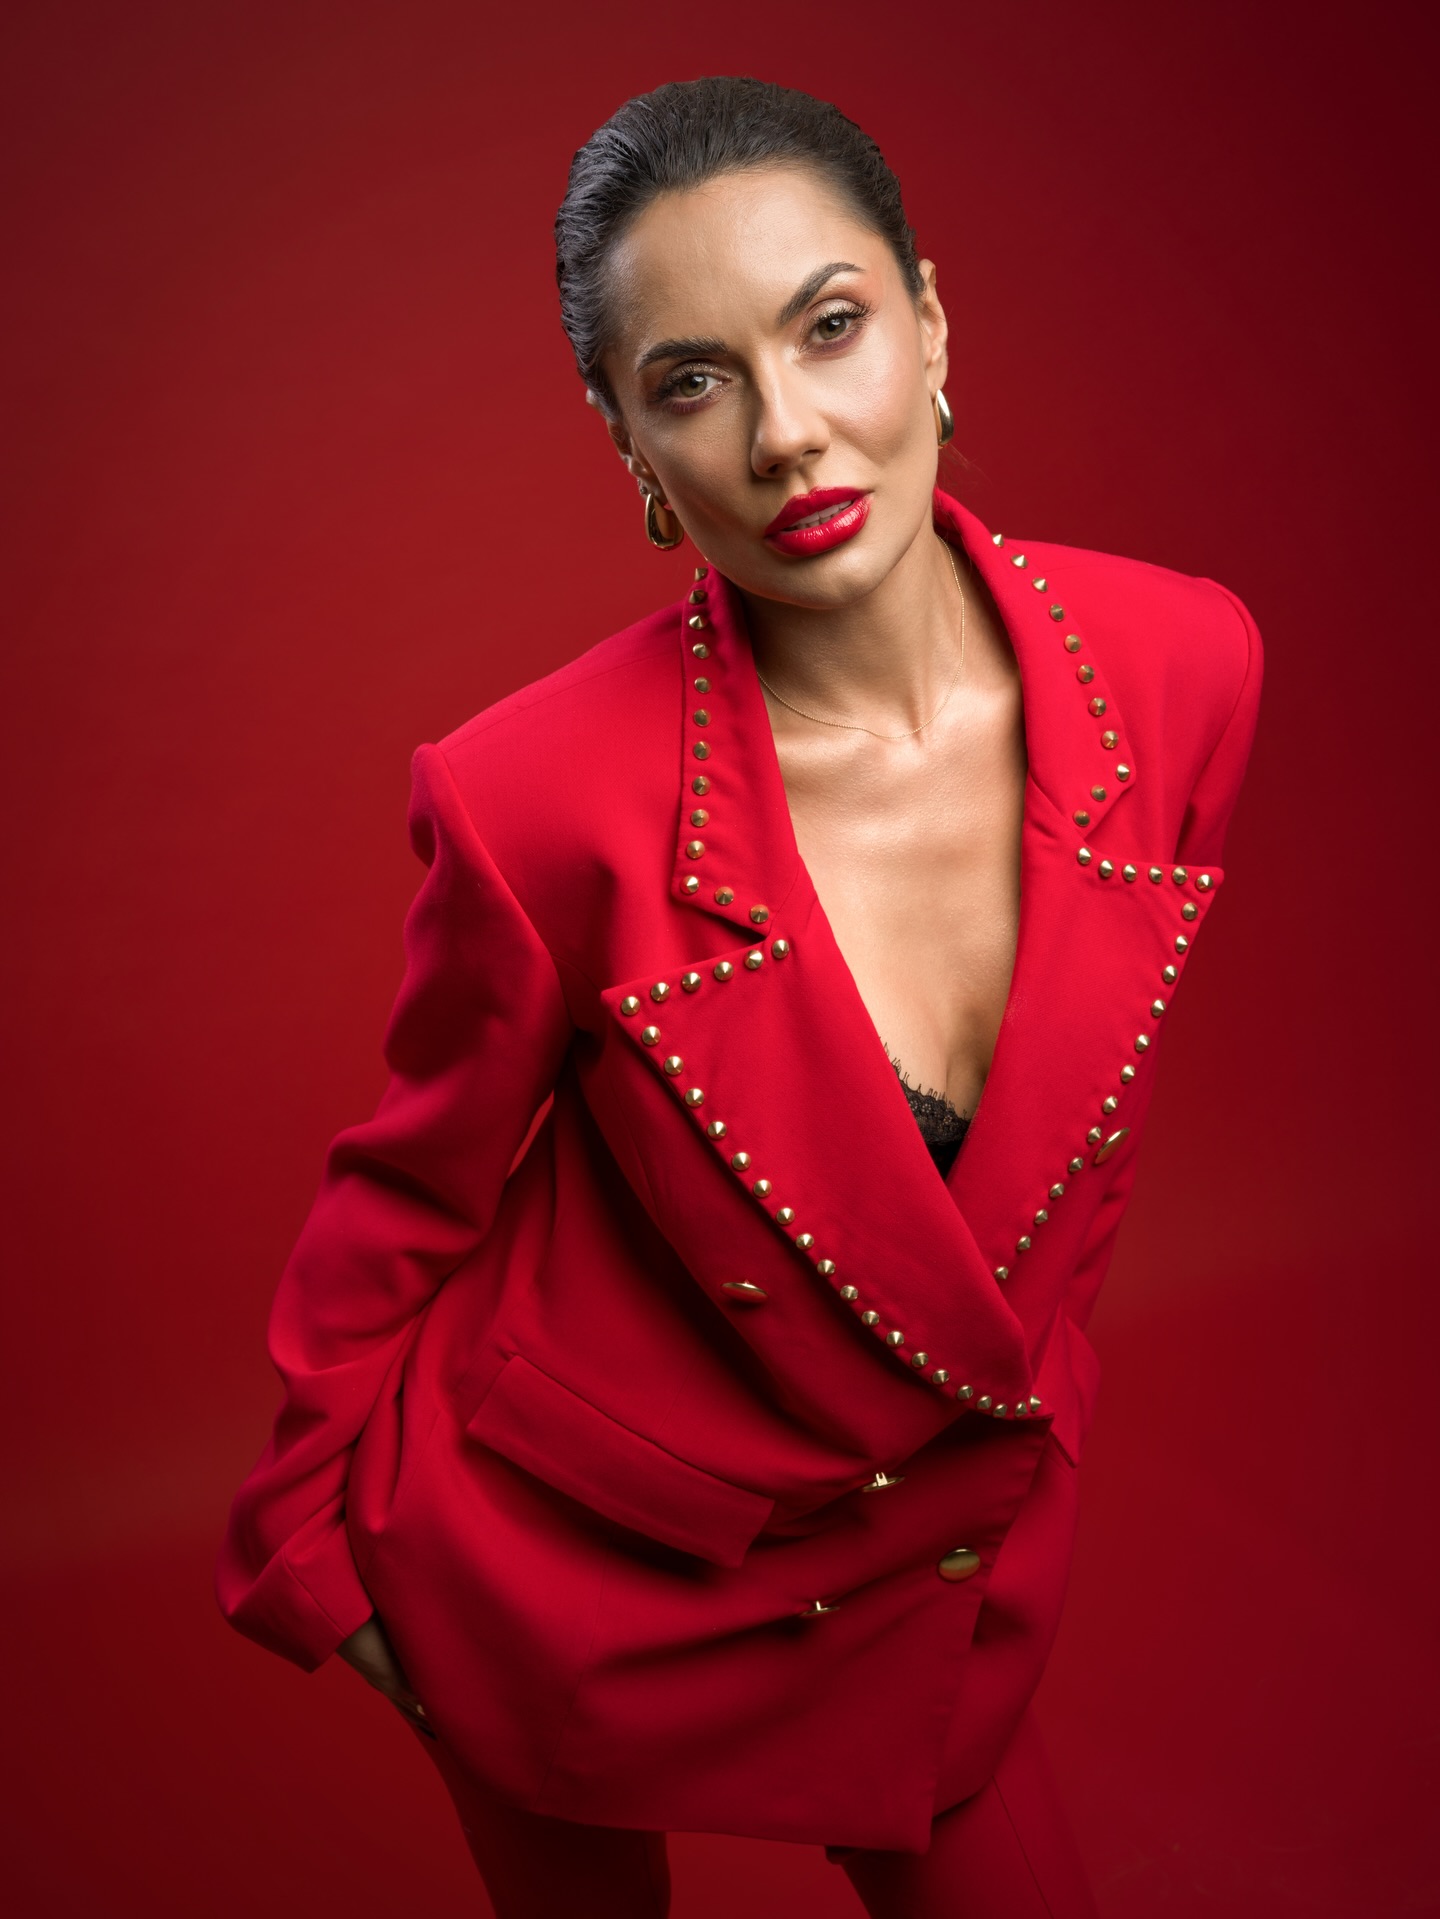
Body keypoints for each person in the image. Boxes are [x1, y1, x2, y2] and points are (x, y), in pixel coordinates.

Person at [216, 76, 1262, 1919]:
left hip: (924, 1558)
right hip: (556, 1560)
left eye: (830, 326)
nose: (787, 435)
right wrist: (309, 1544)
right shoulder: (534, 797)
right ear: (629, 439)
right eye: (692, 381)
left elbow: (1062, 1189)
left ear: (931, 323)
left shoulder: (1184, 665)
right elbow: (409, 1191)